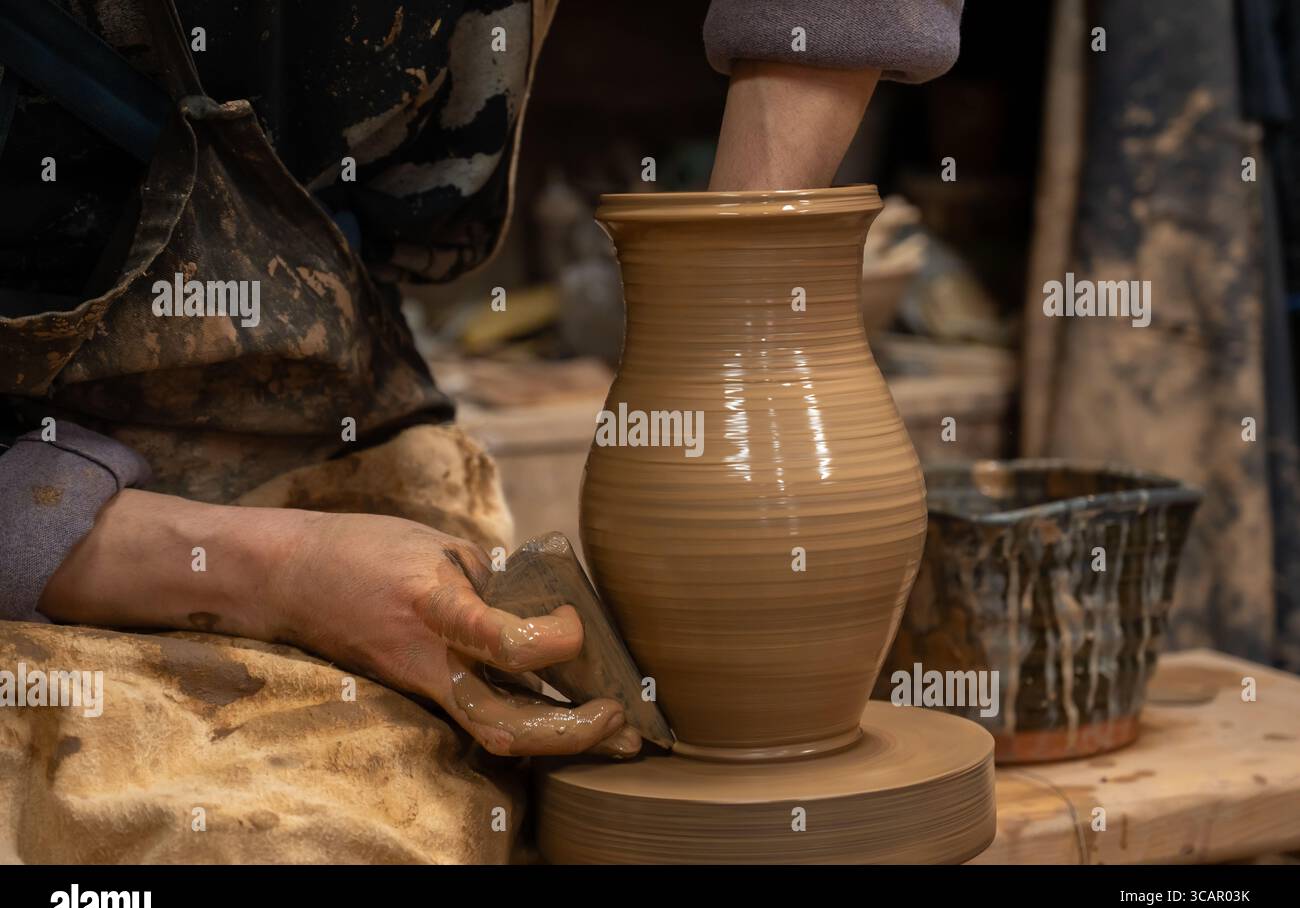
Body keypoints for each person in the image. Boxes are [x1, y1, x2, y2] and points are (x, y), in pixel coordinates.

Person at [0, 0, 962, 862]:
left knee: (463, 782)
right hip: (40, 516)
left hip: (329, 407)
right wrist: (274, 571)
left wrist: (743, 270)